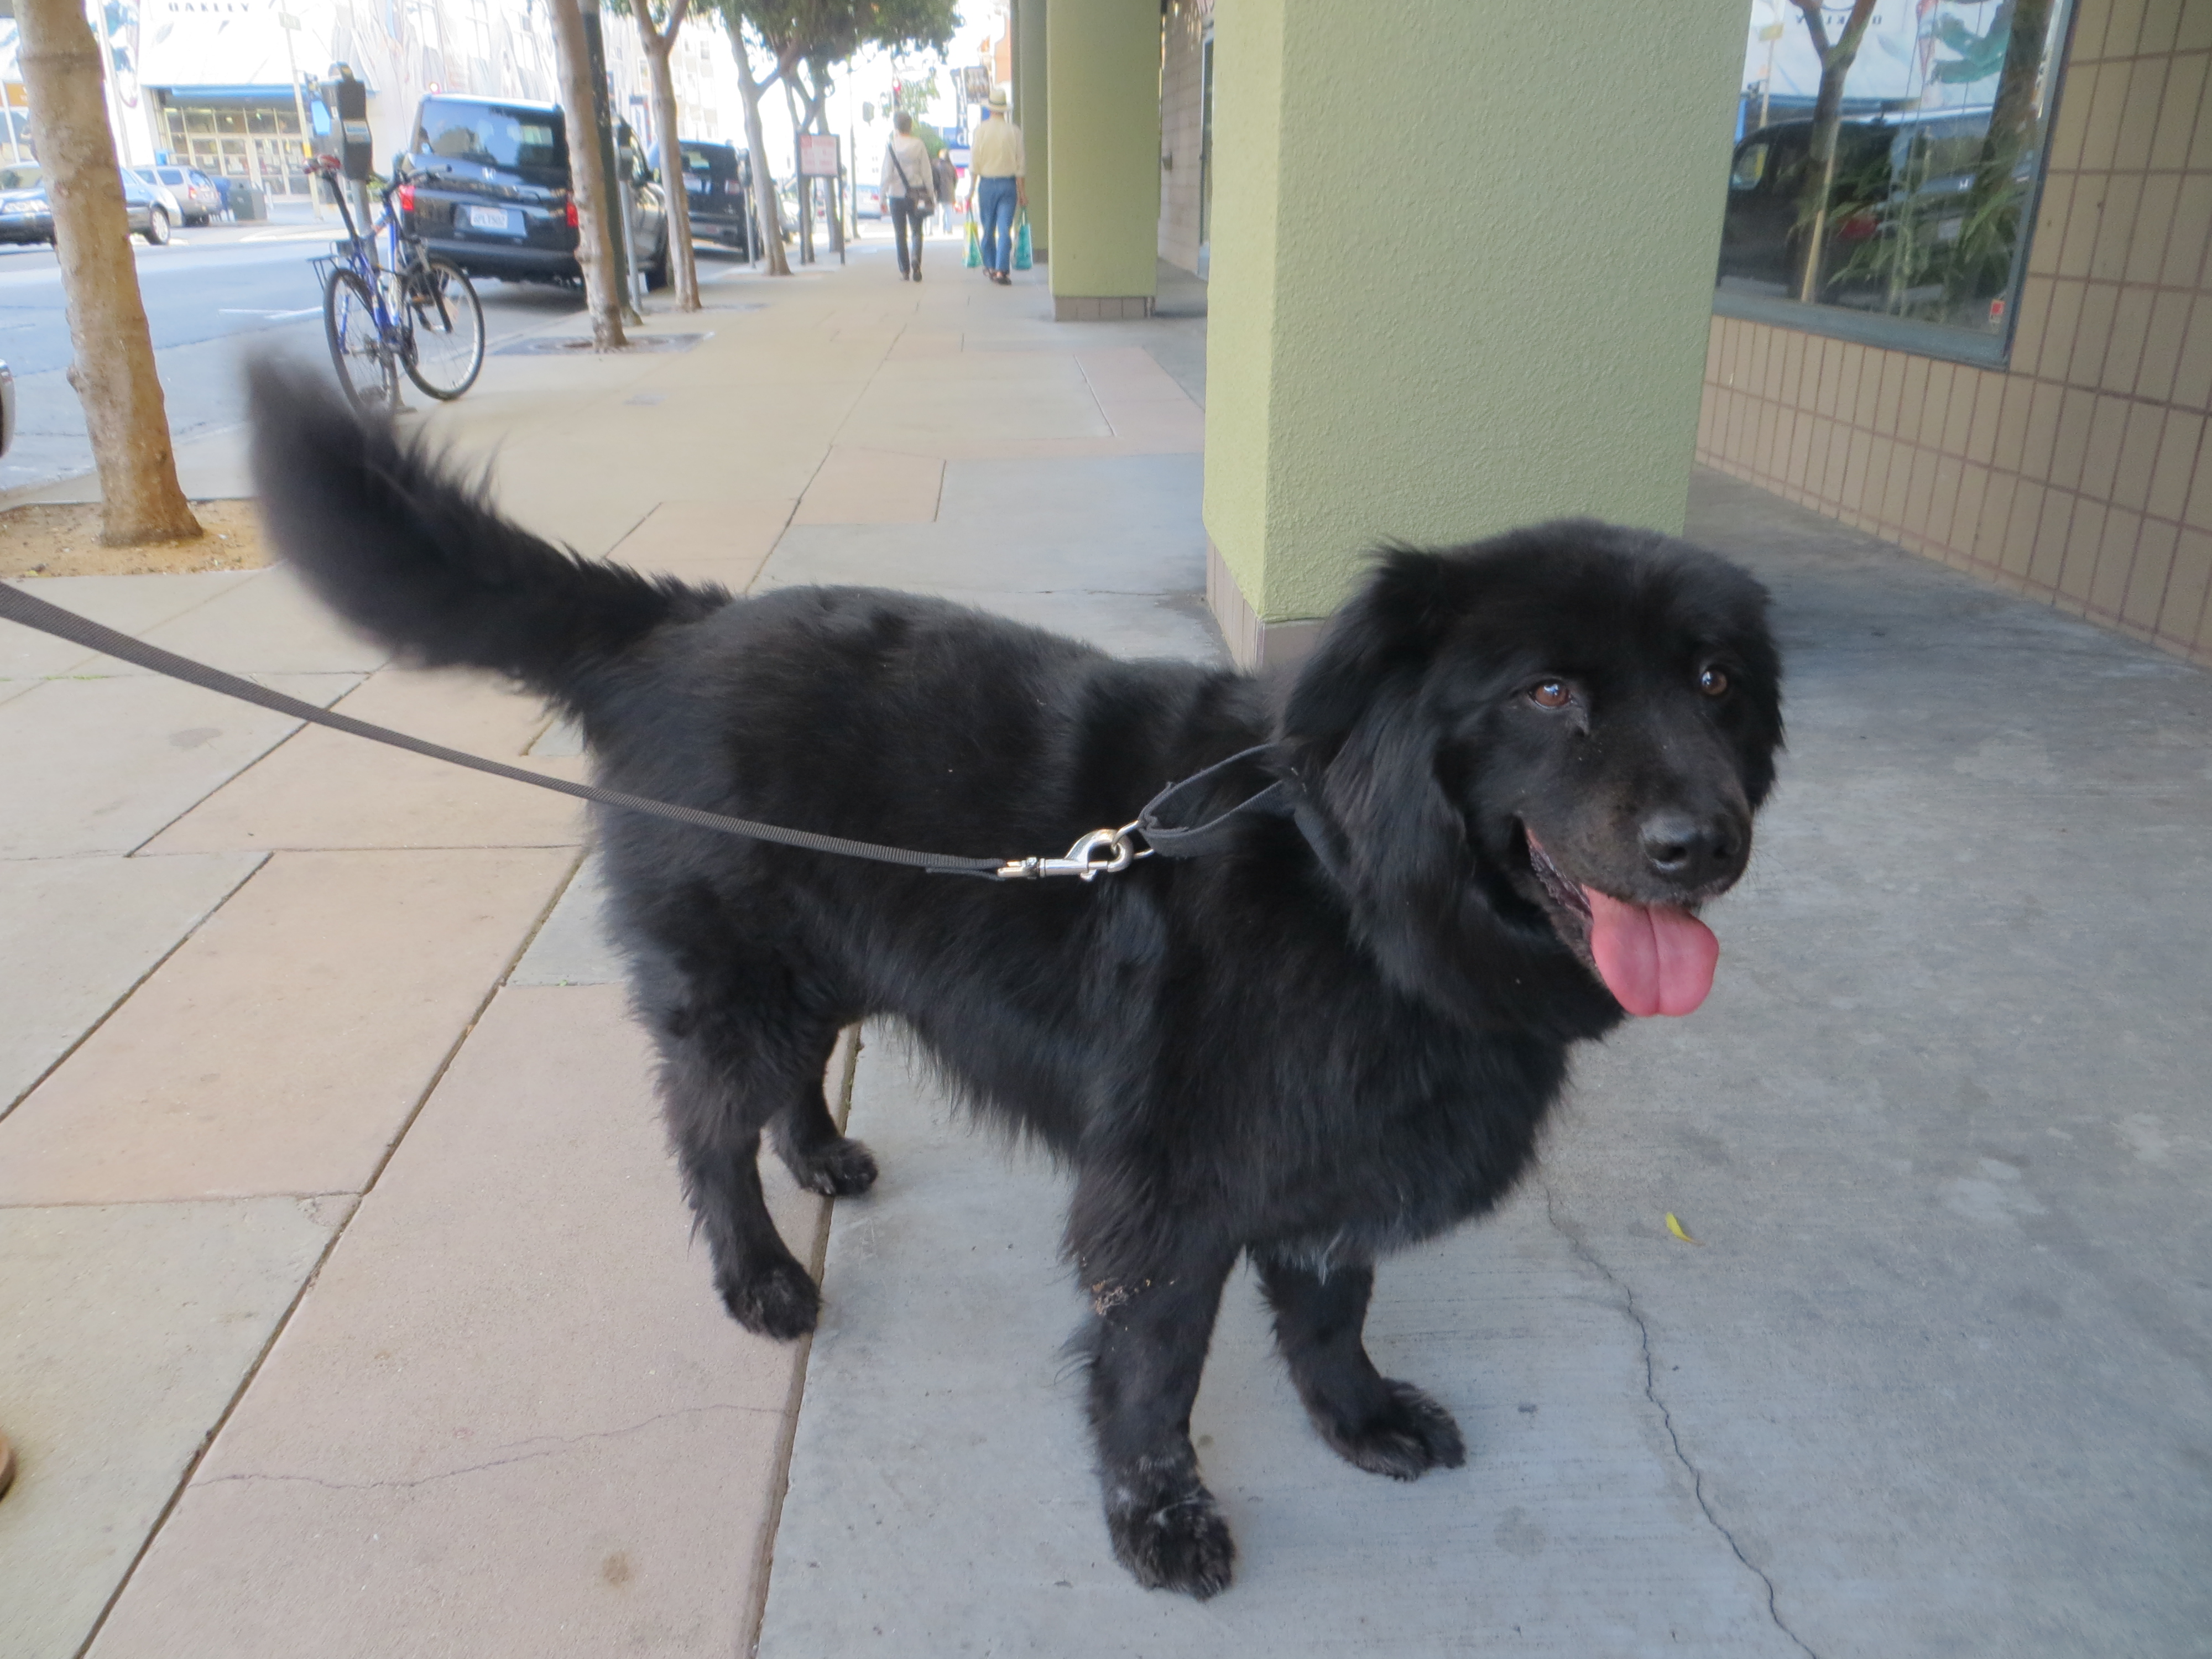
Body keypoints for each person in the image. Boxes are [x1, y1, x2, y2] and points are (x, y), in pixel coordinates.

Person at [964, 90, 1025, 286]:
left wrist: (971, 189)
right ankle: (1002, 271)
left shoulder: (981, 131)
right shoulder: (1014, 131)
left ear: (990, 110)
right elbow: (1020, 166)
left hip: (987, 185)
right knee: (1005, 229)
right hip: (1008, 185)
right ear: (1004, 110)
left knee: (988, 228)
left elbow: (975, 162)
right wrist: (1022, 193)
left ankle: (990, 266)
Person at [880, 110, 933, 281]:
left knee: (900, 234)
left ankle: (905, 270)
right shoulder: (919, 145)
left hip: (896, 195)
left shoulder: (891, 146)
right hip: (916, 194)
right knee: (917, 231)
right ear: (911, 127)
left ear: (896, 127)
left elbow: (886, 174)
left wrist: (882, 196)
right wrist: (930, 194)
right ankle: (916, 259)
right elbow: (927, 172)